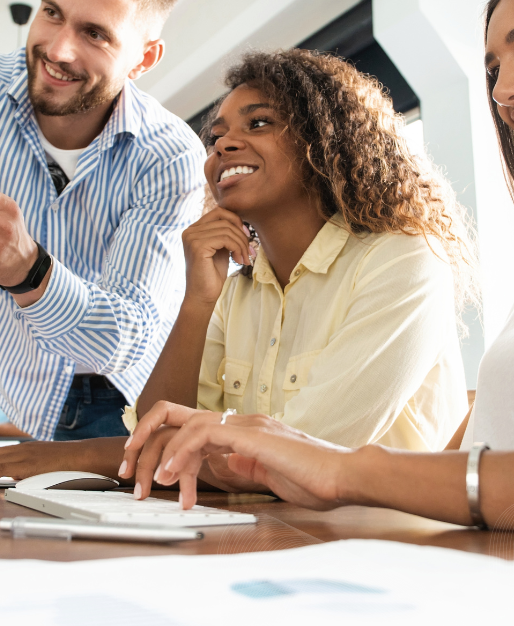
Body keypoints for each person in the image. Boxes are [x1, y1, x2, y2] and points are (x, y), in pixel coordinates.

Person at [117, 0, 514, 533]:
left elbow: (309, 459)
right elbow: (477, 463)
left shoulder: (403, 261)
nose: (502, 91)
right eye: (494, 69)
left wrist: (343, 469)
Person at [0, 49, 475, 484]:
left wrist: (66, 456)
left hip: (380, 541)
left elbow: (301, 458)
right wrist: (197, 300)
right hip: (256, 532)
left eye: (258, 123)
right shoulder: (234, 291)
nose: (224, 145)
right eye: (217, 136)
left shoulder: (404, 261)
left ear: (326, 139)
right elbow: (155, 434)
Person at [0, 0, 204, 441]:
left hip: (106, 406)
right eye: (52, 13)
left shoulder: (170, 156)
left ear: (144, 58)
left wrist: (26, 268)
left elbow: (124, 338)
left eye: (94, 34)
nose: (58, 50)